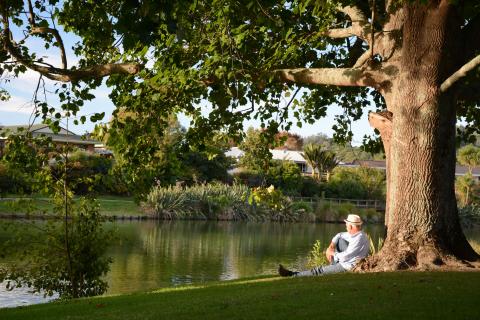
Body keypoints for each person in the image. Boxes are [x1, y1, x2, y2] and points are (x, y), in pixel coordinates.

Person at [278, 214, 370, 277]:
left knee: (319, 270)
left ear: (350, 226)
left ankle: (292, 275)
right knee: (340, 240)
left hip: (349, 265)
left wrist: (332, 253)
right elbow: (339, 235)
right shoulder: (355, 234)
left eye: (346, 225)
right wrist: (331, 246)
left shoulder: (359, 238)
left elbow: (346, 256)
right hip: (345, 261)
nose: (346, 227)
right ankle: (295, 274)